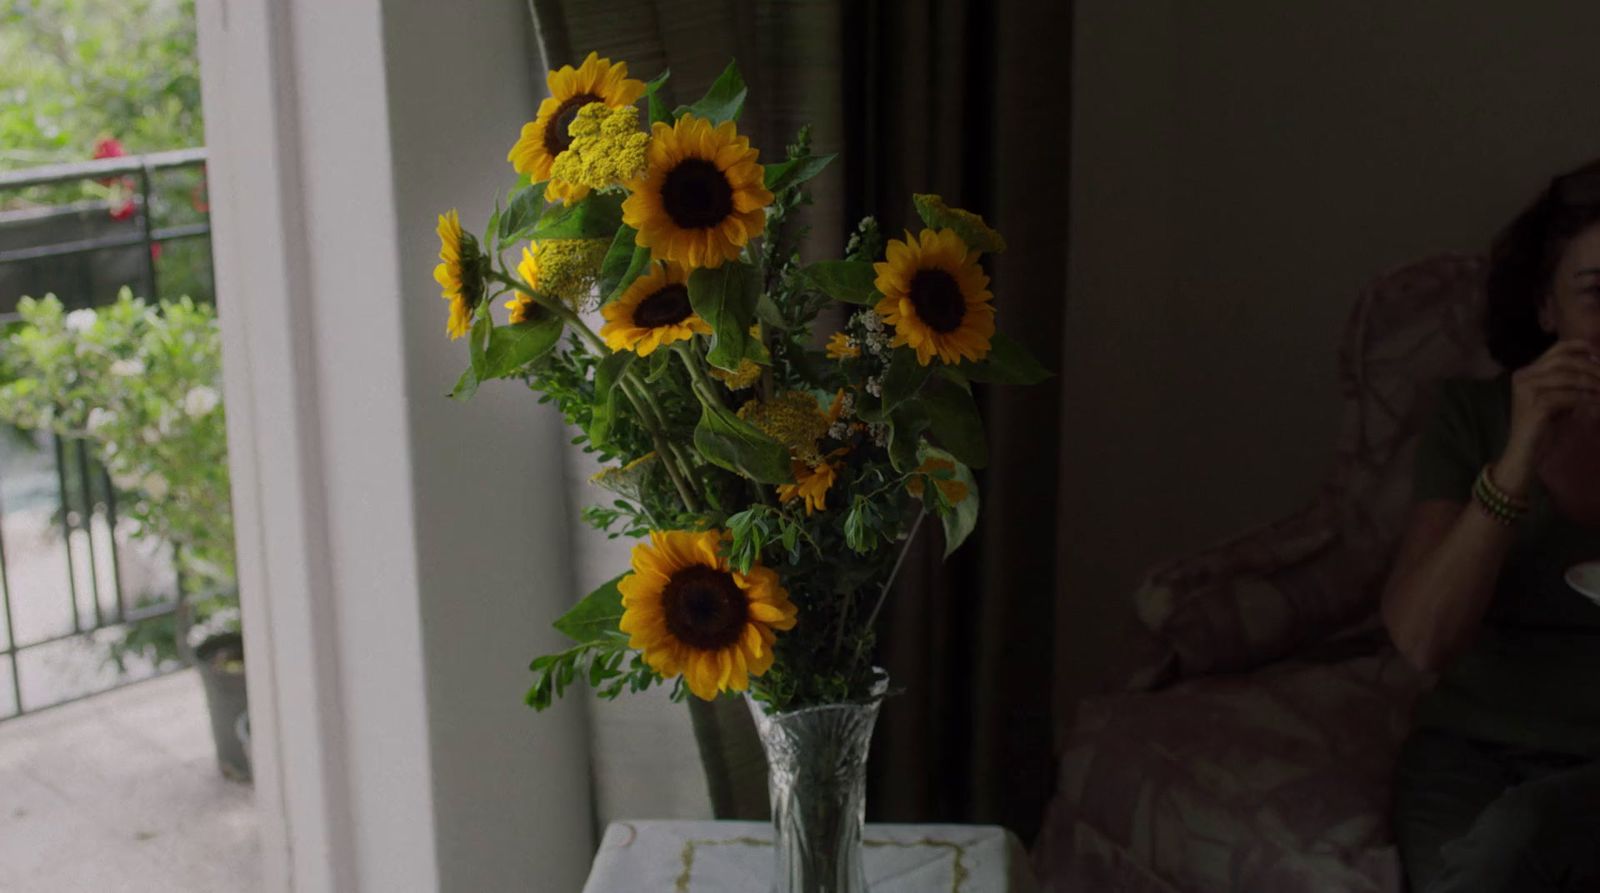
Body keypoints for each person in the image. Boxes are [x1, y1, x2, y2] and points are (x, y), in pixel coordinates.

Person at [1384, 158, 1600, 892]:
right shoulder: (1472, 418)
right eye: (1599, 296)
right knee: (1494, 854)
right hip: (1473, 755)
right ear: (1548, 308)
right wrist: (1518, 455)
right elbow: (1422, 639)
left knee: (1531, 829)